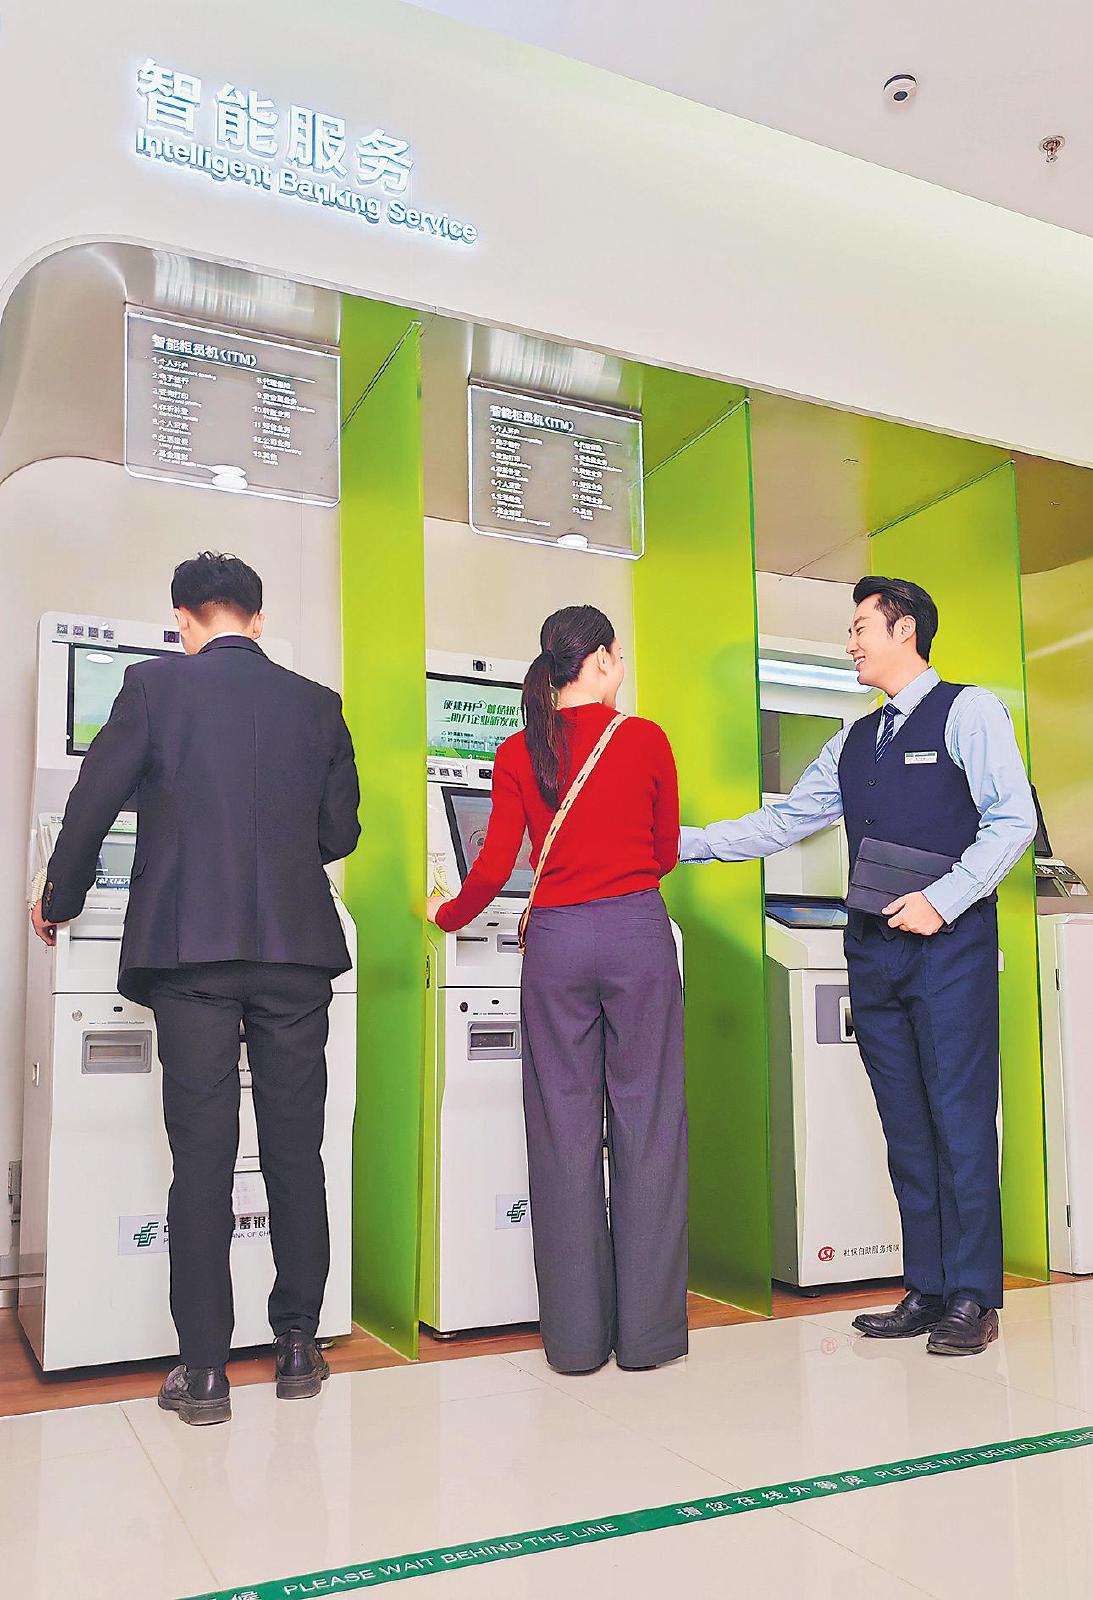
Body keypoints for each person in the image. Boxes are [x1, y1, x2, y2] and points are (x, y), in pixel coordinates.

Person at [32, 552, 360, 1424]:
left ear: (183, 620)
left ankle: (206, 1372)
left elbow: (91, 805)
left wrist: (59, 899)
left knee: (203, 1160)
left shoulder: (152, 689)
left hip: (192, 958)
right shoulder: (318, 704)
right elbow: (339, 833)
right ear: (258, 618)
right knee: (296, 1151)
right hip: (295, 956)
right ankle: (298, 1348)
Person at [680, 576, 1036, 1356]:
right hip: (873, 951)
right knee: (905, 1126)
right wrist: (679, 843)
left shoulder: (969, 712)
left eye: (859, 628)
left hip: (948, 947)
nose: (850, 644)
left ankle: (974, 1296)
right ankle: (928, 1288)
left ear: (905, 630)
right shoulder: (854, 739)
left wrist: (944, 898)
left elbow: (1014, 818)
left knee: (960, 1123)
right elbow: (785, 821)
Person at [427, 605, 687, 1375]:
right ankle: (646, 1340)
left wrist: (445, 915)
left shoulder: (519, 750)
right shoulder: (645, 739)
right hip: (637, 935)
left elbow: (493, 866)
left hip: (556, 944)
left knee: (562, 1133)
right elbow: (665, 852)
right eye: (618, 656)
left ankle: (574, 1345)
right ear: (601, 659)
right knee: (649, 1125)